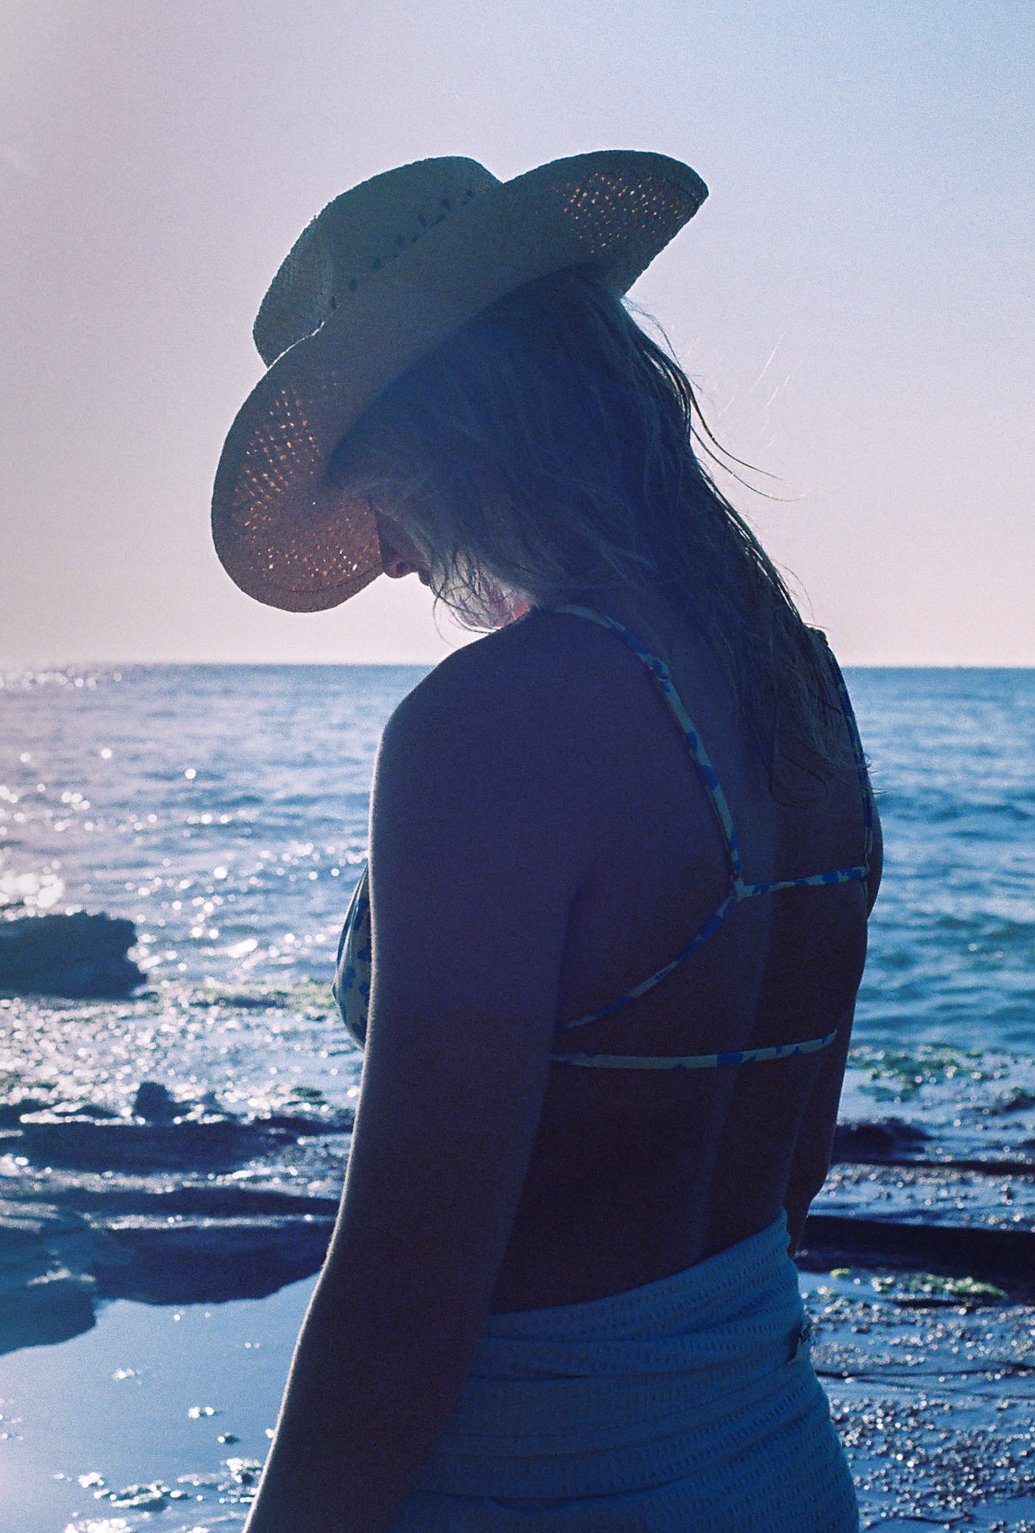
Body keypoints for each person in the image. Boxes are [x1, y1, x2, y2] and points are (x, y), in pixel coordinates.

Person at [212, 151, 881, 1532]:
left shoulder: (486, 733)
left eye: (374, 475)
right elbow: (794, 1163)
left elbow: (401, 1306)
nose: (388, 553)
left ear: (452, 428)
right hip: (778, 1465)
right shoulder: (799, 684)